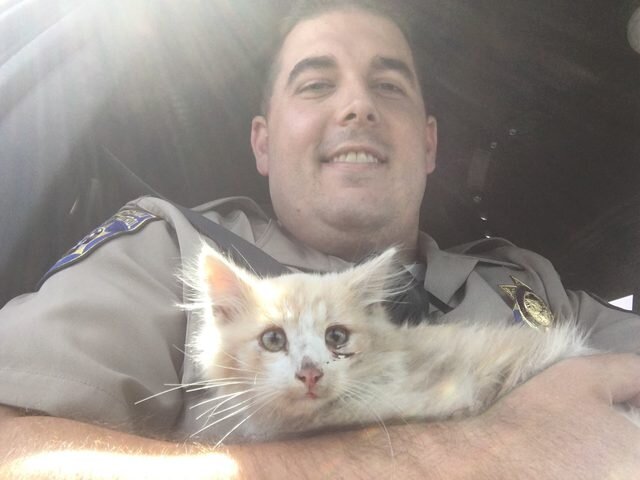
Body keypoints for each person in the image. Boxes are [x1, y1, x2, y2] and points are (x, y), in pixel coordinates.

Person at [1, 1, 640, 478]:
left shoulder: (524, 277)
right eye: (316, 84)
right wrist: (485, 451)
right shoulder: (171, 246)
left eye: (388, 86)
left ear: (428, 144)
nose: (358, 107)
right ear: (262, 141)